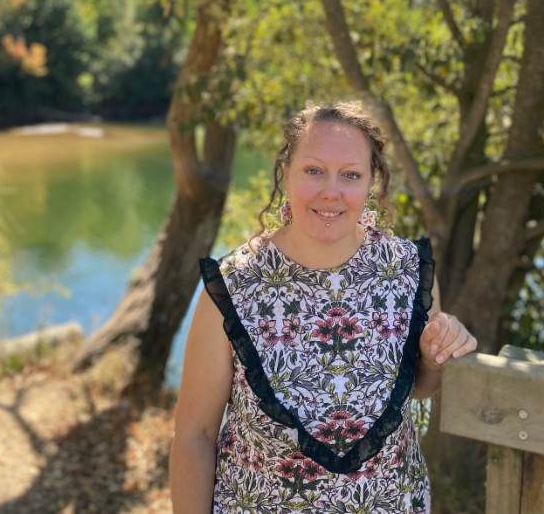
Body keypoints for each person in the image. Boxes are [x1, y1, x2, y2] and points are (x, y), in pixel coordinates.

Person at [170, 102, 477, 513]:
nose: (331, 191)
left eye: (350, 175)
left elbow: (420, 386)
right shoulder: (233, 286)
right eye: (314, 170)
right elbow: (196, 435)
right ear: (286, 174)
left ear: (371, 183)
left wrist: (438, 354)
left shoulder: (409, 271)